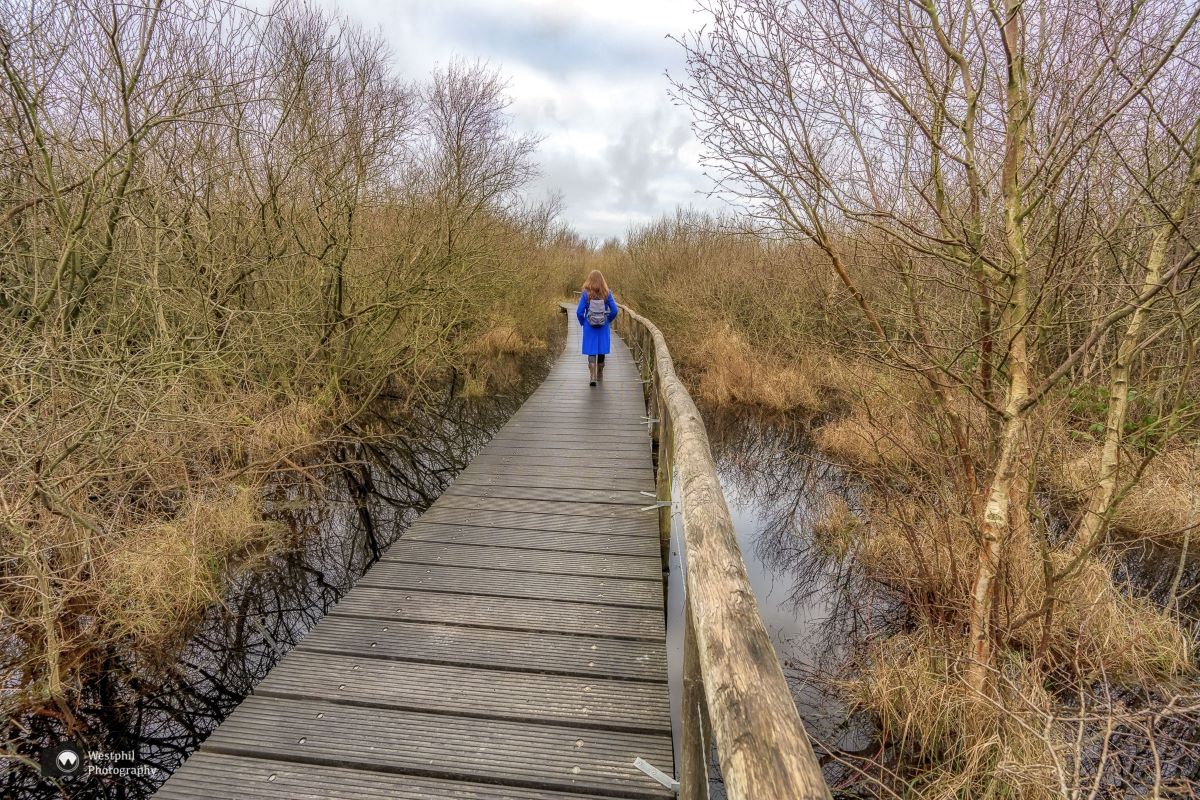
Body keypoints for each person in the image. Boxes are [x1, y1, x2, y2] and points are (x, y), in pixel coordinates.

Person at [575, 270, 618, 387]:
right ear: (602, 280)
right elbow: (615, 310)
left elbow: (579, 312)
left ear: (590, 279)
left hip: (589, 326)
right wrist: (608, 319)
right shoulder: (607, 293)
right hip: (603, 326)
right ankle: (600, 374)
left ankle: (592, 377)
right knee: (601, 349)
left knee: (591, 349)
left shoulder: (585, 294)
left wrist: (583, 322)